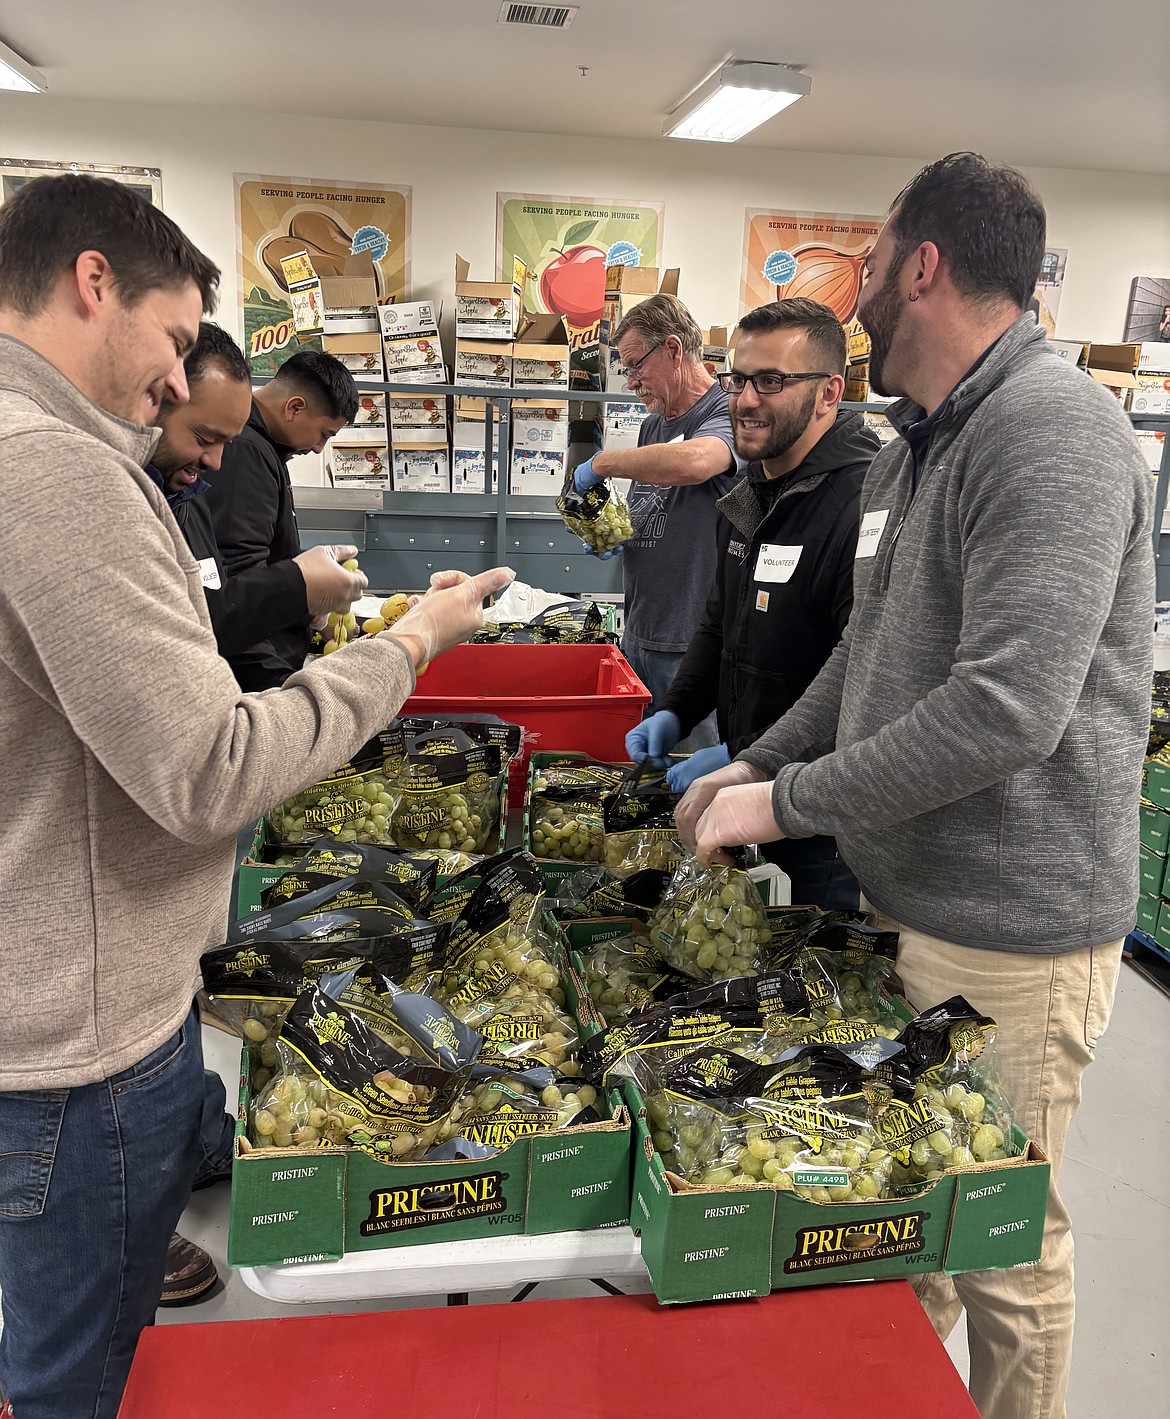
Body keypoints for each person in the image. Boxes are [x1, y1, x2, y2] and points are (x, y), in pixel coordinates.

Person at [0, 171, 512, 1419]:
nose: (180, 384)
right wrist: (412, 647)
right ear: (92, 283)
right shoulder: (53, 472)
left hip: (58, 990)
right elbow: (211, 769)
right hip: (80, 1041)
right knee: (75, 1373)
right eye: (175, 343)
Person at [676, 153, 1152, 1419]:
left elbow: (1007, 712)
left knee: (1002, 1242)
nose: (863, 288)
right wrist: (762, 756)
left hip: (1009, 929)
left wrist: (784, 807)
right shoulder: (915, 449)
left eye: (873, 263)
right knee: (902, 1206)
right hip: (903, 903)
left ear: (922, 265)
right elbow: (869, 657)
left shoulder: (1052, 433)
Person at [149, 320, 375, 1304]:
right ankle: (154, 1201)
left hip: (241, 723)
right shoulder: (220, 464)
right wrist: (297, 590)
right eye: (200, 437)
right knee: (194, 967)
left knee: (203, 962)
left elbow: (221, 589)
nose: (208, 460)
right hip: (225, 739)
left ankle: (198, 1137)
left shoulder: (209, 476)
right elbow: (216, 613)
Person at [626, 298, 879, 908]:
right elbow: (720, 623)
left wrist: (749, 757)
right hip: (745, 795)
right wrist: (680, 712)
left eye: (772, 381)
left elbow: (859, 679)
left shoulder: (862, 505)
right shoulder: (750, 493)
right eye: (740, 379)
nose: (745, 399)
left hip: (818, 826)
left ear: (828, 393)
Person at [571, 293, 741, 751]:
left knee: (696, 787)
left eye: (634, 366)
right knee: (647, 779)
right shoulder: (653, 425)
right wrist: (615, 531)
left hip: (692, 645)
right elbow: (652, 501)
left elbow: (696, 463)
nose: (630, 382)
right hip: (641, 630)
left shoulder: (727, 415)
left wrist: (603, 463)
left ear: (672, 349)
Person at [201, 348, 359, 690]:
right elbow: (237, 582)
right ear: (295, 407)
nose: (319, 449)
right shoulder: (245, 453)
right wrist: (277, 686)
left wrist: (309, 606)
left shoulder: (264, 450)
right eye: (324, 434)